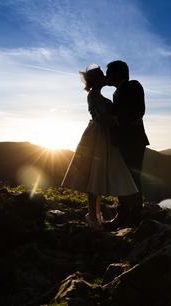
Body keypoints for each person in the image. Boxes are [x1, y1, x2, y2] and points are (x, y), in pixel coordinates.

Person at [61, 64, 138, 229]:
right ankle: (93, 215)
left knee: (98, 173)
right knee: (94, 173)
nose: (105, 76)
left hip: (104, 135)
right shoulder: (94, 96)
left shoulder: (98, 94)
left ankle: (97, 215)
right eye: (102, 74)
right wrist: (117, 123)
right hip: (99, 136)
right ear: (97, 79)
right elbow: (103, 118)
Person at [103, 60, 150, 230]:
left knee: (132, 177)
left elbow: (138, 111)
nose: (107, 76)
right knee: (121, 177)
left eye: (109, 73)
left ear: (118, 73)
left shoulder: (133, 86)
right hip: (121, 142)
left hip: (133, 141)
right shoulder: (117, 92)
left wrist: (114, 119)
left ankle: (135, 215)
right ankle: (122, 214)